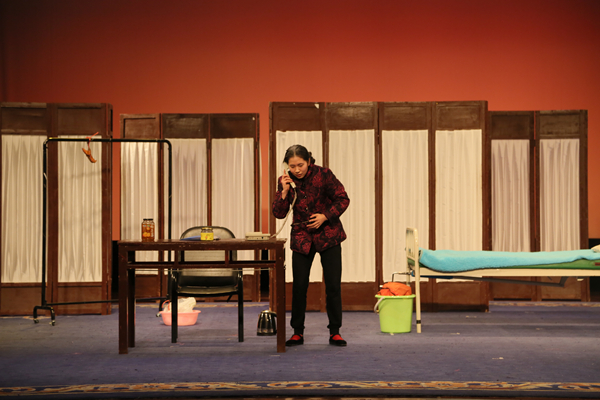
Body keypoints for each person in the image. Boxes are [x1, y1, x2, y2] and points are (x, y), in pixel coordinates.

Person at [272, 144, 350, 347]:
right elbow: (278, 213)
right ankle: (297, 332)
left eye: (300, 165)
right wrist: (284, 191)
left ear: (308, 161)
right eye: (292, 166)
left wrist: (325, 216)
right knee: (299, 286)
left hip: (329, 235)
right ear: (286, 166)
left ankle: (335, 332)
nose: (297, 170)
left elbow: (343, 199)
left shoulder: (324, 175)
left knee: (333, 285)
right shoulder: (285, 181)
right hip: (302, 237)